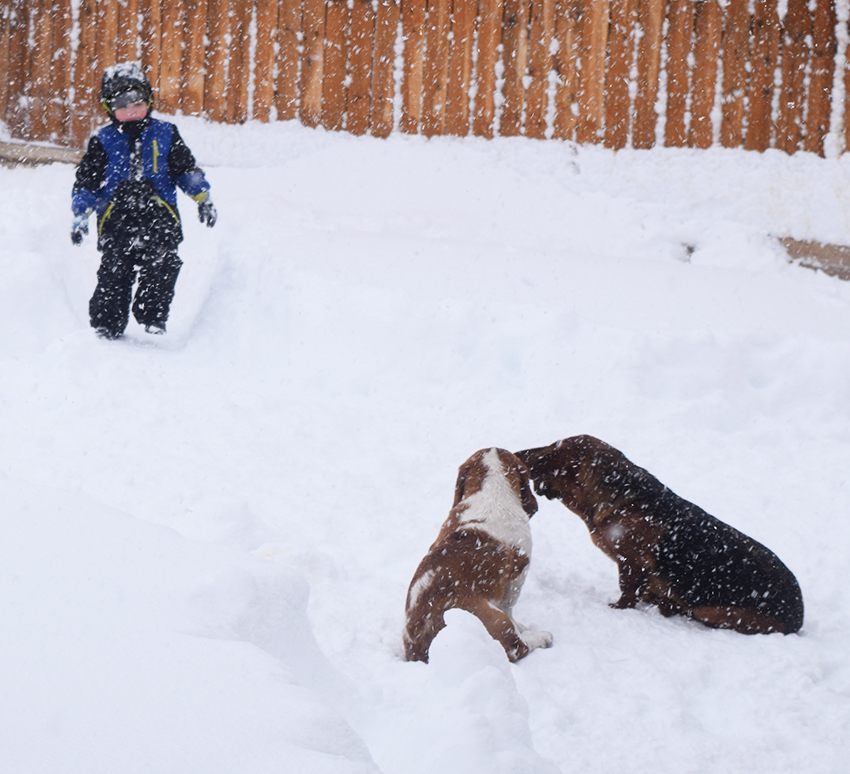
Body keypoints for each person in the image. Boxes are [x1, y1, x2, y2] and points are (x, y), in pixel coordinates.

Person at [71, 62, 217, 339]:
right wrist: (80, 214)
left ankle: (153, 318)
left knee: (163, 263)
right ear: (108, 108)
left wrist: (203, 197)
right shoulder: (102, 141)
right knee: (115, 271)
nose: (131, 111)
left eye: (137, 102)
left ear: (149, 100)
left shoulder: (166, 133)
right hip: (116, 218)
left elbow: (185, 170)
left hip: (159, 215)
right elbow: (87, 182)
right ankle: (107, 324)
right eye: (121, 105)